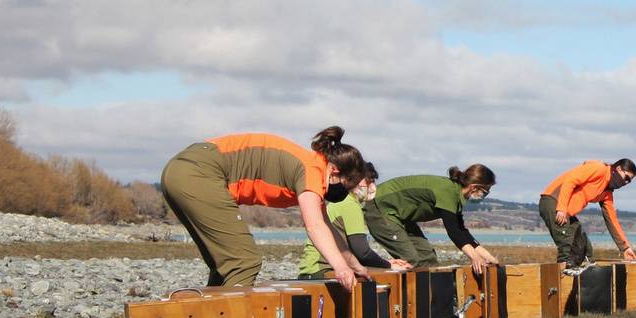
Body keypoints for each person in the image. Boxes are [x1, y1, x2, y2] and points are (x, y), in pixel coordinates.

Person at [160, 126, 371, 289]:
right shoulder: (311, 170)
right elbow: (314, 226)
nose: (343, 194)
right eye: (346, 186)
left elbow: (326, 227)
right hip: (198, 172)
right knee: (243, 261)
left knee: (224, 266)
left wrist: (353, 264)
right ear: (334, 171)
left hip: (179, 170)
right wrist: (340, 269)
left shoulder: (311, 167)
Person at [362, 165, 501, 275]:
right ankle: (371, 279)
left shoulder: (456, 195)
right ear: (474, 188)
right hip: (380, 209)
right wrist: (474, 257)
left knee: (427, 258)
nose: (485, 195)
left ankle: (429, 303)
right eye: (485, 191)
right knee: (411, 260)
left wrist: (488, 257)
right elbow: (453, 232)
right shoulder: (448, 192)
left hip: (401, 217)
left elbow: (462, 230)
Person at [297, 163, 413, 279]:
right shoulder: (351, 204)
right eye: (367, 182)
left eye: (373, 182)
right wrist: (389, 265)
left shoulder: (342, 201)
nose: (371, 186)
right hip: (322, 269)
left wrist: (386, 263)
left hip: (312, 269)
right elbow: (362, 252)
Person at [539, 159, 636, 268]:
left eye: (629, 182)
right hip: (553, 201)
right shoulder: (599, 169)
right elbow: (571, 180)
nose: (625, 183)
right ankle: (562, 274)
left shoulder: (607, 193)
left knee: (584, 247)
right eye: (627, 178)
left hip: (567, 212)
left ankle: (584, 276)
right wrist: (561, 208)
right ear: (618, 169)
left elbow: (612, 221)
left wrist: (625, 248)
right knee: (566, 244)